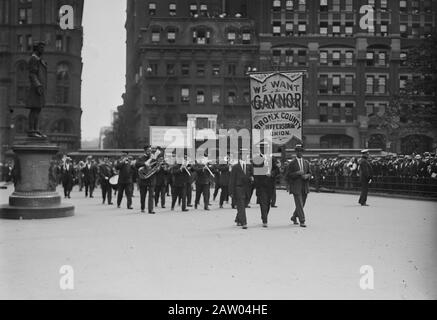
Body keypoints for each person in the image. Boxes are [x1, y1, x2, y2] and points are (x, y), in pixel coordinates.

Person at [286, 144, 311, 228]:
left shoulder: (306, 162)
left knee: (302, 203)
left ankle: (294, 217)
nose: (299, 152)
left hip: (305, 186)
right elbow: (288, 175)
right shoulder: (292, 163)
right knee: (299, 204)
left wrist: (307, 176)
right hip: (296, 186)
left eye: (301, 151)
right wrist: (297, 173)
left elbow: (310, 173)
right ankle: (302, 221)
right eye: (298, 151)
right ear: (296, 152)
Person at [26, 41, 47, 139]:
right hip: (36, 88)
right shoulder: (33, 58)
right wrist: (38, 85)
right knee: (34, 109)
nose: (43, 49)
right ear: (36, 48)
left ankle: (36, 130)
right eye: (41, 47)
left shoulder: (39, 59)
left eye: (43, 47)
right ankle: (31, 131)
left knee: (38, 109)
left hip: (39, 88)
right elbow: (32, 74)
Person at [229, 149, 253, 229]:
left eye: (246, 154)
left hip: (247, 189)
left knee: (243, 205)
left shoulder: (249, 166)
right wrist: (231, 192)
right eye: (243, 154)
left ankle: (238, 219)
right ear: (240, 156)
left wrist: (251, 178)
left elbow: (252, 176)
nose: (245, 156)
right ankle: (244, 222)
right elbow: (232, 180)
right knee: (241, 205)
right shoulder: (235, 167)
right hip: (238, 188)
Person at [253, 146, 275, 228]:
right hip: (261, 184)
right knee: (263, 203)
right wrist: (265, 172)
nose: (264, 150)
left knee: (268, 203)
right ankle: (265, 220)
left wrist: (272, 173)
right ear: (260, 150)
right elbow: (255, 170)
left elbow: (277, 170)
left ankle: (264, 216)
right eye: (262, 148)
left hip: (270, 185)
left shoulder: (271, 158)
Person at [136, 145, 159, 214]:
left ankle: (150, 209)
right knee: (143, 195)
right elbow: (137, 164)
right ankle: (142, 207)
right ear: (145, 151)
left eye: (150, 150)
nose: (150, 152)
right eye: (149, 150)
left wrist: (157, 168)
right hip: (143, 179)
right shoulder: (141, 157)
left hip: (151, 179)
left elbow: (156, 166)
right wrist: (145, 164)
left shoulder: (153, 158)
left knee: (151, 195)